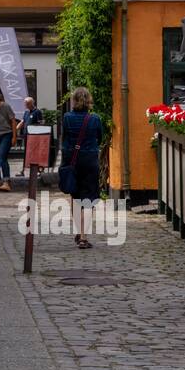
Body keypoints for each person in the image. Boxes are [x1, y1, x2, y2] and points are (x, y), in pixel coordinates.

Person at [59, 86, 103, 249]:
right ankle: (84, 236)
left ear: (74, 100)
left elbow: (65, 138)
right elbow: (99, 138)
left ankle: (79, 230)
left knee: (75, 197)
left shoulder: (67, 118)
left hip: (72, 160)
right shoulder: (95, 119)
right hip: (90, 160)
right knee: (89, 199)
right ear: (89, 100)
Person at [19, 95, 43, 175]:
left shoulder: (37, 112)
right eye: (25, 104)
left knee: (35, 153)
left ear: (31, 104)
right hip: (26, 135)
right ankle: (23, 170)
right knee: (26, 153)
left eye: (26, 104)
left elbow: (41, 123)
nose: (25, 105)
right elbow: (22, 122)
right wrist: (14, 130)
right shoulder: (26, 112)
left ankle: (38, 170)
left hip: (34, 136)